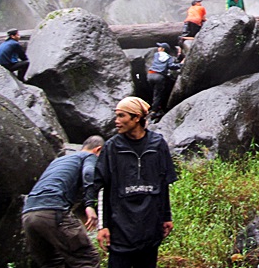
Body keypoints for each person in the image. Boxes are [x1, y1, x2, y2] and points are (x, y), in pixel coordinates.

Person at [94, 97, 177, 268]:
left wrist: (166, 217)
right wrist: (102, 227)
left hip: (150, 229)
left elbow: (163, 184)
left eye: (121, 116)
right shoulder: (111, 147)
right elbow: (102, 187)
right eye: (116, 116)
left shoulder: (157, 144)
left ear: (136, 118)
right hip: (120, 231)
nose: (116, 121)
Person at [22, 135, 105, 268]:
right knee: (86, 259)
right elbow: (89, 173)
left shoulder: (59, 161)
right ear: (98, 150)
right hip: (52, 211)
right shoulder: (89, 157)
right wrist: (89, 205)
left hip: (28, 214)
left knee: (52, 262)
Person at [147, 42, 182, 121]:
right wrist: (181, 64)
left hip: (150, 75)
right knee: (158, 94)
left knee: (153, 92)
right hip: (159, 77)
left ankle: (154, 106)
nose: (158, 48)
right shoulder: (169, 57)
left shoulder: (156, 55)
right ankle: (154, 111)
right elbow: (171, 66)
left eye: (159, 47)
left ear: (163, 49)